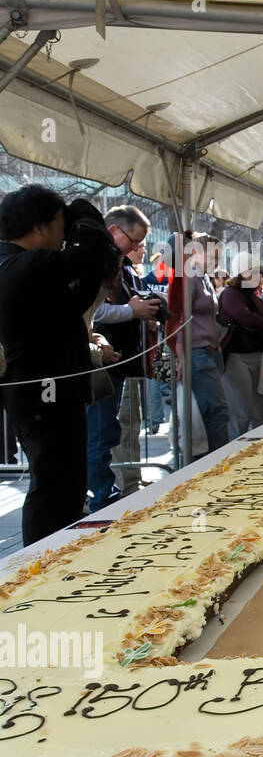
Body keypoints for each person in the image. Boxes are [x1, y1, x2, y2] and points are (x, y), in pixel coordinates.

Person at [0, 185, 121, 544]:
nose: (63, 236)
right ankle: (40, 560)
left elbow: (73, 300)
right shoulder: (29, 264)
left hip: (42, 392)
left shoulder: (13, 263)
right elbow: (94, 252)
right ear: (40, 227)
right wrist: (82, 211)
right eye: (58, 226)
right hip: (43, 394)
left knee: (63, 482)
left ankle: (55, 554)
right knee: (53, 485)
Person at [87, 205, 156, 510]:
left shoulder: (116, 263)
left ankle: (106, 493)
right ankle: (102, 498)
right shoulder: (93, 261)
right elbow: (92, 312)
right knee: (100, 434)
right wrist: (131, 311)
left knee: (108, 431)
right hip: (95, 365)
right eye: (134, 241)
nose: (136, 248)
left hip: (112, 360)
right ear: (114, 230)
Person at [164, 232, 233, 458]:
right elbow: (180, 318)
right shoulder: (189, 277)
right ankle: (216, 462)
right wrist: (181, 355)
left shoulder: (203, 277)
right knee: (216, 412)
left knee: (214, 412)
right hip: (197, 353)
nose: (217, 262)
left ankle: (215, 460)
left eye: (219, 257)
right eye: (213, 256)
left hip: (210, 352)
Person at [218, 252, 263, 437]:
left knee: (260, 411)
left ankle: (256, 449)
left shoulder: (257, 299)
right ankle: (232, 455)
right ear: (240, 274)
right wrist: (262, 322)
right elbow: (245, 318)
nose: (258, 277)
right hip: (236, 358)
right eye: (252, 272)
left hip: (258, 356)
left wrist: (260, 322)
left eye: (259, 273)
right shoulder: (230, 294)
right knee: (241, 413)